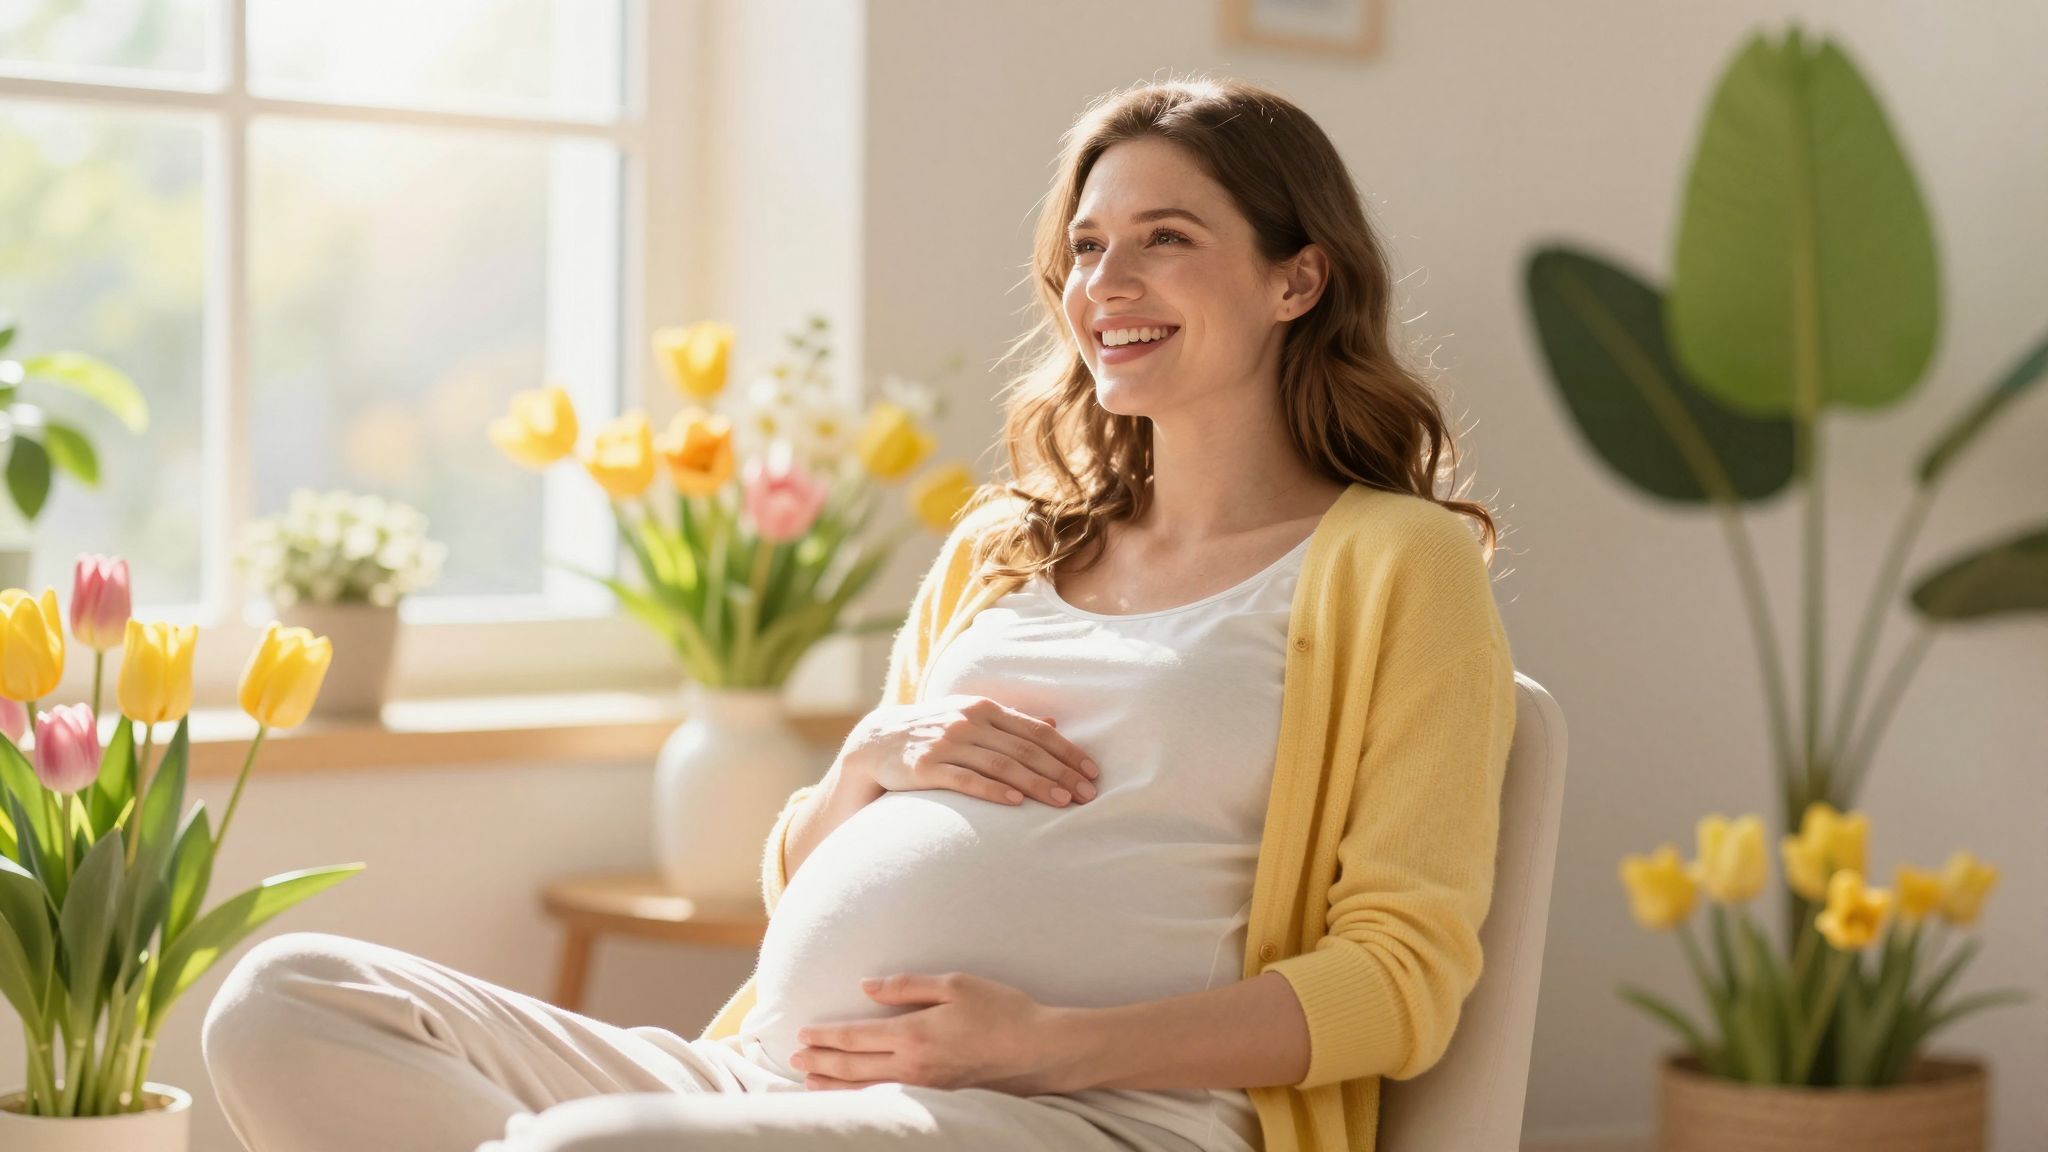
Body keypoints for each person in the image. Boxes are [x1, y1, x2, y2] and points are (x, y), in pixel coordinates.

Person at [201, 74, 1518, 1152]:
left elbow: (1399, 980)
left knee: (592, 1151)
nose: (1103, 285)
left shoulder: (1395, 562)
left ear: (1298, 280)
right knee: (287, 999)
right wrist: (855, 771)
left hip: (1101, 1115)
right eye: (1086, 247)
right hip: (779, 1077)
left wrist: (1048, 1045)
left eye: (1165, 240)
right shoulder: (1004, 547)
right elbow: (800, 890)